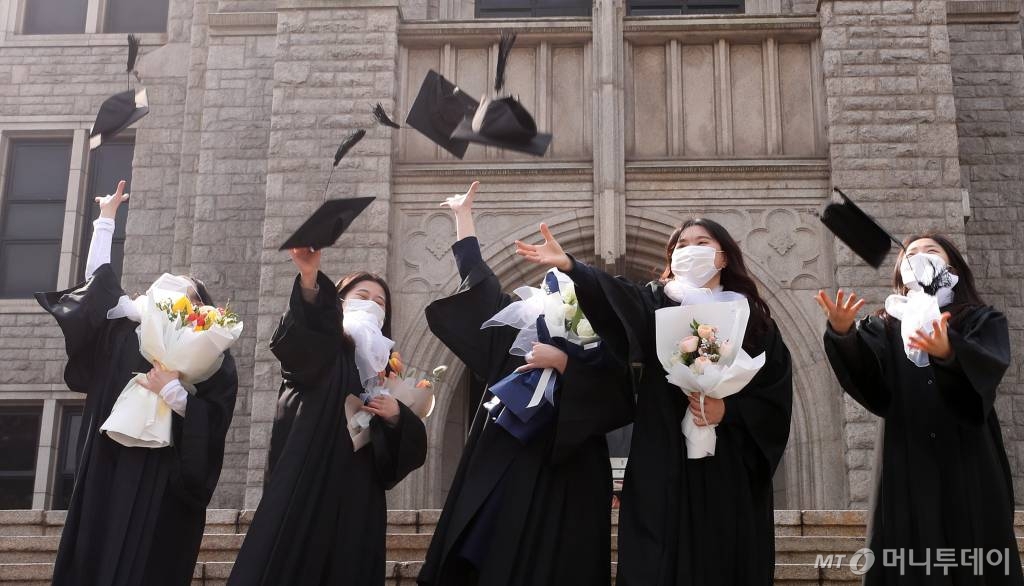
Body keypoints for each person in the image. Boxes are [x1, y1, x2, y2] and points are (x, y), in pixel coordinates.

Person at [515, 219, 793, 586]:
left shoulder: (754, 320)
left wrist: (729, 411)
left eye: (701, 242)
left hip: (727, 469)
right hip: (662, 459)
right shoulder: (657, 302)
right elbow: (616, 297)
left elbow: (775, 393)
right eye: (681, 244)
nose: (689, 249)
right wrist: (572, 267)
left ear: (723, 257)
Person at [417, 182, 633, 586]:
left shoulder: (603, 344)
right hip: (510, 460)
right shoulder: (520, 329)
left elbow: (616, 399)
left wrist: (567, 362)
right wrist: (464, 219)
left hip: (571, 473)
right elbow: (480, 287)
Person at [37, 180, 239, 586]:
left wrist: (175, 393)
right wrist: (105, 221)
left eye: (190, 292)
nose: (177, 292)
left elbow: (214, 420)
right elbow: (95, 290)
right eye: (169, 286)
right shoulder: (123, 332)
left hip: (166, 477)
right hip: (109, 466)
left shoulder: (212, 357)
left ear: (203, 310)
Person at [817, 234, 1022, 585]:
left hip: (968, 455)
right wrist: (843, 334)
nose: (920, 256)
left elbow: (990, 365)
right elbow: (870, 379)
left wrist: (949, 351)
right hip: (906, 454)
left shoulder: (978, 319)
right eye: (911, 253)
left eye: (931, 251)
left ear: (951, 265)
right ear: (900, 270)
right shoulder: (885, 323)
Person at [228, 246, 427, 586]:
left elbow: (403, 453)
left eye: (380, 303)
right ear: (341, 301)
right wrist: (309, 279)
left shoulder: (384, 374)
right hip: (312, 471)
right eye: (362, 295)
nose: (372, 304)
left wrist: (396, 416)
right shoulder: (330, 344)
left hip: (358, 492)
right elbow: (305, 336)